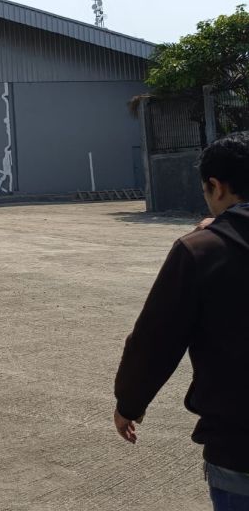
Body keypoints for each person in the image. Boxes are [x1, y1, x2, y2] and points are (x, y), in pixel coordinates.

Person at [114, 131, 249, 509]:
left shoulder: (201, 251)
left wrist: (129, 403)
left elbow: (154, 341)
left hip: (239, 449)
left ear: (216, 186)